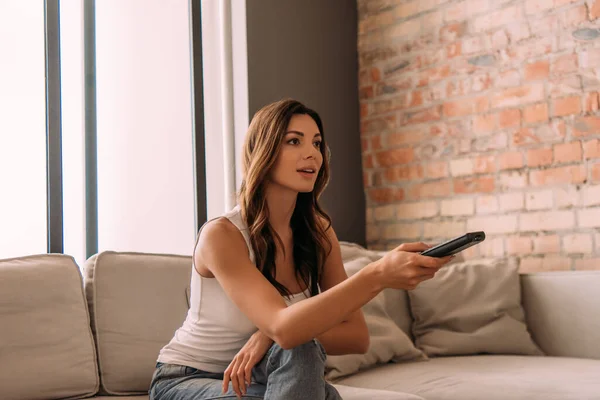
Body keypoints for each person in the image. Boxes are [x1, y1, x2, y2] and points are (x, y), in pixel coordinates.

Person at [149, 99, 452, 400]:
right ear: (263, 152)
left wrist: (267, 336)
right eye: (294, 141)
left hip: (263, 372)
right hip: (188, 377)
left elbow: (356, 337)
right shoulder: (222, 236)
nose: (312, 154)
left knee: (301, 346)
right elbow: (284, 326)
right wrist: (378, 274)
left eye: (317, 144)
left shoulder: (318, 233)